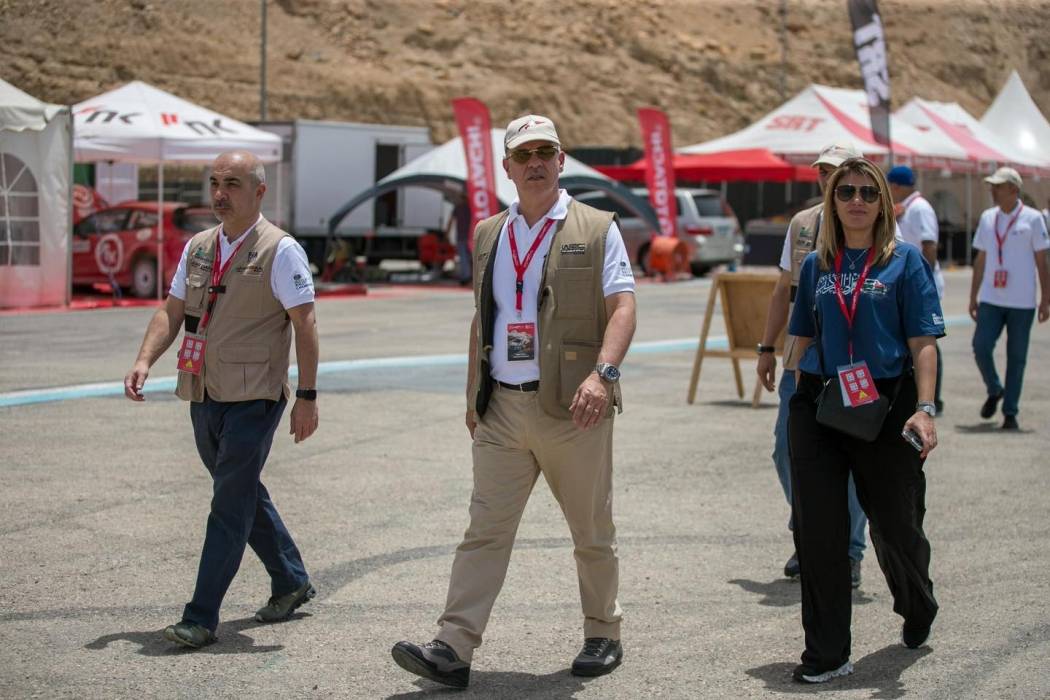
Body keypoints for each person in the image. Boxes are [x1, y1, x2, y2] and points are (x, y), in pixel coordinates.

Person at [391, 114, 637, 688]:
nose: (535, 163)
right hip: (501, 408)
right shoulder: (488, 233)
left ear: (561, 160)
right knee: (484, 530)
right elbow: (483, 316)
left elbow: (623, 306)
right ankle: (452, 648)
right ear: (507, 167)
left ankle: (603, 632)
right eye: (523, 155)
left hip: (574, 408)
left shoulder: (597, 227)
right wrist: (472, 395)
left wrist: (603, 375)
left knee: (591, 531)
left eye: (545, 152)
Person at [123, 151, 320, 649]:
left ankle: (200, 616)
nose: (219, 194)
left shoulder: (281, 250)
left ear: (259, 191)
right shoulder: (199, 247)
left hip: (256, 396)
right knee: (240, 489)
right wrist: (145, 359)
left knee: (229, 502)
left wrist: (307, 396)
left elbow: (305, 324)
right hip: (204, 390)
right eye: (214, 183)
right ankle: (291, 578)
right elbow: (171, 311)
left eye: (232, 183)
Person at [786, 157, 943, 683]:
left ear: (884, 204)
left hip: (888, 403)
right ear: (831, 201)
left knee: (897, 526)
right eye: (846, 191)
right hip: (823, 402)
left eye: (868, 192)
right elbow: (803, 334)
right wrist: (792, 382)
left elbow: (923, 341)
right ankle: (827, 654)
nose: (856, 200)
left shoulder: (906, 261)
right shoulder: (817, 265)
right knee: (819, 530)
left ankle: (917, 603)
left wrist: (925, 409)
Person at [756, 143, 868, 589]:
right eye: (823, 172)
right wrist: (767, 347)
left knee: (854, 455)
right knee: (786, 449)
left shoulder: (873, 221)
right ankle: (811, 529)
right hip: (801, 359)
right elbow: (783, 288)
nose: (828, 179)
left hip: (857, 363)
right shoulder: (802, 223)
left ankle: (849, 550)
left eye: (837, 172)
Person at [969, 167, 1050, 430]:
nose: (993, 190)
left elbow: (1042, 261)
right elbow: (980, 258)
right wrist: (973, 296)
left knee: (1017, 357)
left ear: (1014, 189)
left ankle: (1010, 411)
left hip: (1022, 302)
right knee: (981, 346)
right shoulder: (987, 217)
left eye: (998, 186)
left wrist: (1046, 299)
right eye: (992, 186)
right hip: (991, 298)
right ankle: (995, 388)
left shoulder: (1033, 219)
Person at [888, 165, 945, 413]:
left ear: (895, 186)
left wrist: (924, 283)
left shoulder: (920, 208)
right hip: (909, 280)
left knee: (926, 338)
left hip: (921, 281)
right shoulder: (905, 207)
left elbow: (929, 246)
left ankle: (934, 396)